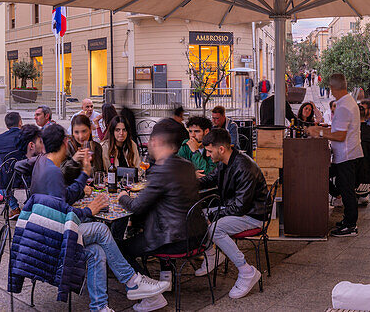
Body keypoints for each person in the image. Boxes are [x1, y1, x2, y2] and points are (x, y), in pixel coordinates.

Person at [31, 124, 169, 312]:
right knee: (101, 229)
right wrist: (89, 210)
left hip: (42, 230)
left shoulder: (43, 163)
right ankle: (132, 281)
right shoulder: (53, 172)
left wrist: (83, 175)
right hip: (53, 235)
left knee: (97, 251)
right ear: (65, 142)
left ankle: (99, 307)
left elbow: (63, 198)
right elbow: (62, 213)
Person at [116, 120, 205, 311]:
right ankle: (161, 278)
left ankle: (151, 296)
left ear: (156, 142)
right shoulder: (186, 165)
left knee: (119, 248)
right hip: (197, 234)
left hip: (174, 239)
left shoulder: (162, 170)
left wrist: (122, 197)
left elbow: (137, 206)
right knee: (139, 229)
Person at [195, 128, 271, 299]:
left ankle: (246, 271)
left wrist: (213, 216)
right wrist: (187, 182)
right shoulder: (226, 161)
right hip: (240, 209)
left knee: (215, 228)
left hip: (253, 216)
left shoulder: (243, 167)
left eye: (209, 151)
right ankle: (212, 256)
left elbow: (239, 208)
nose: (207, 155)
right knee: (198, 215)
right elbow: (210, 179)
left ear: (220, 149)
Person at [306, 73, 363, 237]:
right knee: (343, 187)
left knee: (346, 190)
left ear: (332, 88)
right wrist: (321, 130)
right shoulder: (347, 102)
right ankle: (347, 220)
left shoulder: (344, 106)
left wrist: (320, 133)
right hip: (347, 154)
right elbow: (338, 130)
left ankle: (351, 225)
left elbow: (340, 135)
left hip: (347, 155)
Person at [0, 112, 24, 213]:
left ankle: (14, 207)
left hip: (7, 179)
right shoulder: (26, 136)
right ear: (20, 122)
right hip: (26, 178)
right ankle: (29, 205)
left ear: (6, 125)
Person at [66, 114, 105, 181]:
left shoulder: (97, 147)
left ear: (90, 130)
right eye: (76, 132)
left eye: (84, 131)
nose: (81, 136)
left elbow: (99, 174)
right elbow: (63, 175)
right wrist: (74, 160)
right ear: (72, 132)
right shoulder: (67, 147)